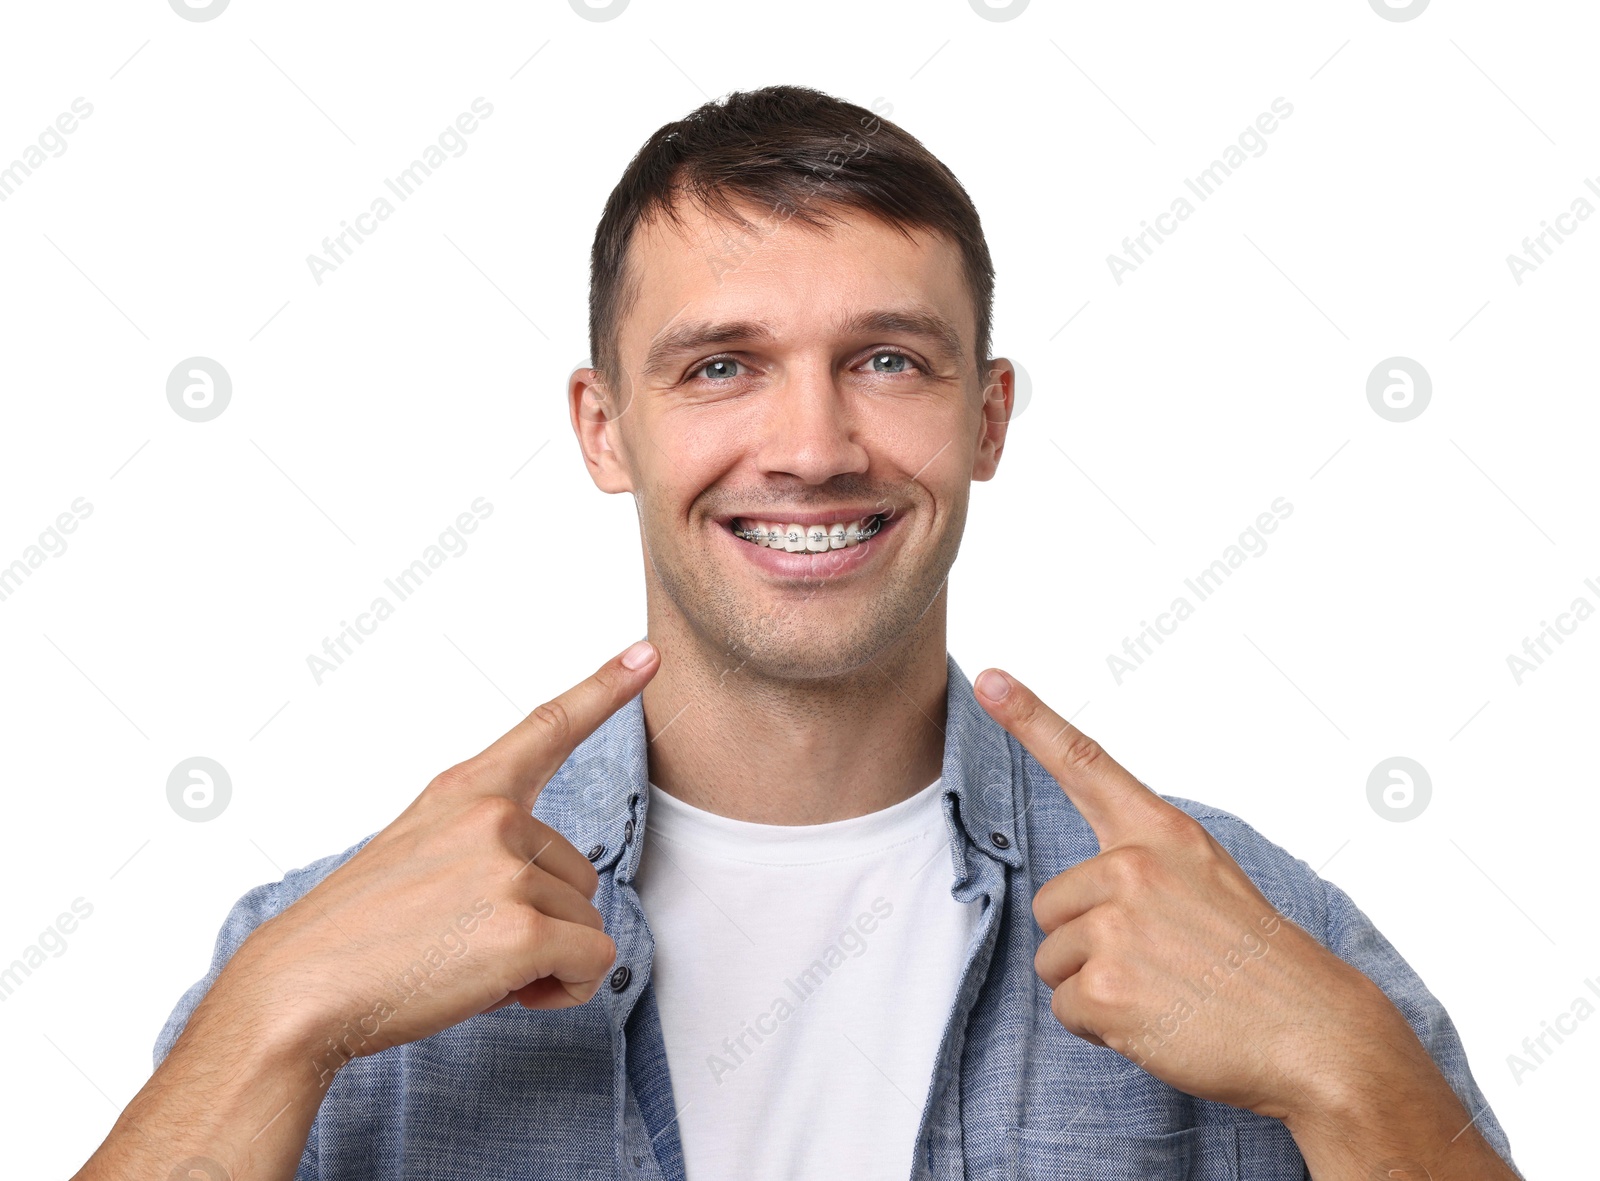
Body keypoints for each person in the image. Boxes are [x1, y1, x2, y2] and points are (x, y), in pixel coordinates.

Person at [73, 85, 1520, 1181]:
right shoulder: (317, 951)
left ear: (987, 417)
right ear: (603, 427)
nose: (813, 445)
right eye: (722, 366)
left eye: (887, 360)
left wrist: (1345, 1066)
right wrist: (273, 1018)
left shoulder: (1253, 924)